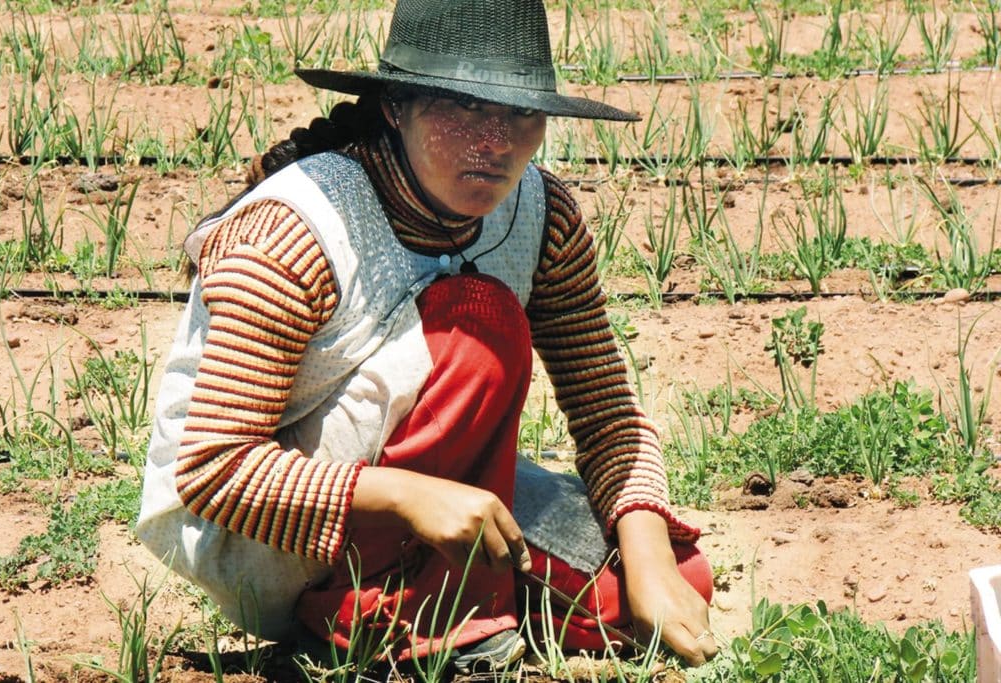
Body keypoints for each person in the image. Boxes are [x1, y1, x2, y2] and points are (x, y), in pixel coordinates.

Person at [136, 0, 718, 672]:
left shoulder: (541, 217)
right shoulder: (294, 232)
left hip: (419, 477)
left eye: (521, 114)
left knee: (676, 578)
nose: (495, 142)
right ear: (394, 108)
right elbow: (214, 470)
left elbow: (606, 412)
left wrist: (646, 560)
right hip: (250, 529)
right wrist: (413, 496)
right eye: (465, 109)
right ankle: (368, 618)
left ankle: (451, 597)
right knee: (477, 325)